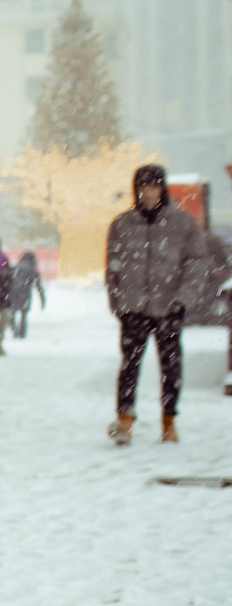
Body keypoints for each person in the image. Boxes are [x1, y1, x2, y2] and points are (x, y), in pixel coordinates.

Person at [105, 162, 210, 444]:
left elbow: (197, 264)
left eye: (152, 186)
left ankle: (169, 420)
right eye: (142, 187)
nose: (147, 193)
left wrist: (183, 299)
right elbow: (112, 268)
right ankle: (125, 419)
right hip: (133, 307)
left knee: (171, 366)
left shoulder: (183, 224)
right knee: (129, 364)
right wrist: (118, 302)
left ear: (162, 189)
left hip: (169, 307)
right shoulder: (122, 224)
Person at [7, 246, 46, 340]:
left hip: (13, 293)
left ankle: (15, 331)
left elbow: (6, 281)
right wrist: (42, 300)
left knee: (12, 314)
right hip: (25, 295)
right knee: (24, 316)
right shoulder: (33, 271)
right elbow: (38, 286)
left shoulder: (14, 268)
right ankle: (22, 334)